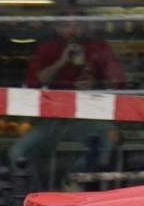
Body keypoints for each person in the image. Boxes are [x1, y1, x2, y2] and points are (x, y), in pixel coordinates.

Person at [12, 14, 128, 189]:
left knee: (112, 139)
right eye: (66, 25)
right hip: (54, 120)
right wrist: (61, 62)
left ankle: (72, 179)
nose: (72, 30)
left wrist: (96, 85)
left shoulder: (98, 48)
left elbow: (119, 83)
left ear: (86, 27)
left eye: (78, 25)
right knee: (17, 152)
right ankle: (36, 197)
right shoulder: (49, 49)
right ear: (57, 28)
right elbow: (33, 83)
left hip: (87, 118)